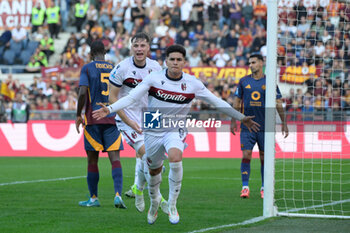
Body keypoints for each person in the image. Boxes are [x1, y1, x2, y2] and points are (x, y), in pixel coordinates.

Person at [92, 44, 260, 224]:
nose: (175, 62)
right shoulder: (153, 79)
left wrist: (242, 118)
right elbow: (131, 97)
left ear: (184, 62)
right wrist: (110, 109)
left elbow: (217, 102)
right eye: (172, 59)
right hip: (153, 124)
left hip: (175, 126)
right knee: (154, 169)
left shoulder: (192, 83)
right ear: (166, 61)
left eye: (179, 59)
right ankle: (154, 202)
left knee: (175, 156)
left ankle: (172, 204)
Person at [109, 32, 167, 213]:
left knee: (154, 160)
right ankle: (155, 195)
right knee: (147, 155)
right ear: (131, 47)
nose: (139, 49)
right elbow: (112, 98)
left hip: (149, 116)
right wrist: (128, 121)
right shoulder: (121, 68)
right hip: (127, 117)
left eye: (143, 46)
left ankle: (137, 187)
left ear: (148, 47)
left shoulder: (155, 66)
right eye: (136, 46)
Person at [75, 40, 126, 208]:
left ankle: (94, 198)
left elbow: (83, 92)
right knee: (115, 159)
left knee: (92, 160)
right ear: (105, 52)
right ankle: (118, 194)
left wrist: (78, 114)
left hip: (93, 119)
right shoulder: (114, 68)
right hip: (112, 118)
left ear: (91, 53)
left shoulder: (87, 68)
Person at [231, 54, 289, 199]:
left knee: (264, 157)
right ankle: (245, 187)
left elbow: (278, 103)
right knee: (246, 154)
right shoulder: (244, 81)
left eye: (254, 62)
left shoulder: (269, 81)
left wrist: (284, 122)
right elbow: (237, 102)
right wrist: (233, 120)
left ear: (261, 63)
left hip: (265, 126)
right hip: (247, 125)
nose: (251, 65)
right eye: (249, 63)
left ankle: (264, 187)